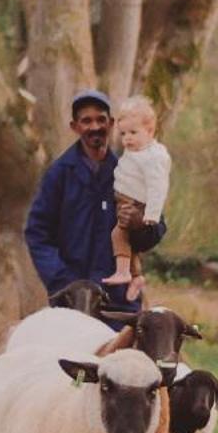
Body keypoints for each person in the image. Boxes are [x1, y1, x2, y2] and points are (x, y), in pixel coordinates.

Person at [23, 88, 166, 318]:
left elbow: (156, 230)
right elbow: (37, 233)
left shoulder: (129, 170)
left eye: (101, 119)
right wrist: (64, 282)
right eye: (86, 121)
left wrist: (140, 223)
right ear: (75, 127)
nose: (94, 127)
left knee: (125, 353)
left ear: (111, 124)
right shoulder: (59, 174)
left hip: (119, 302)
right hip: (71, 304)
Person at [109, 95, 171, 297]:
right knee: (129, 245)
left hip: (136, 204)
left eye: (133, 132)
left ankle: (123, 272)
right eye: (124, 133)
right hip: (125, 198)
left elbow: (157, 188)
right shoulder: (136, 151)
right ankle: (137, 277)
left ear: (150, 131)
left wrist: (150, 216)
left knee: (118, 235)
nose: (127, 138)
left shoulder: (153, 157)